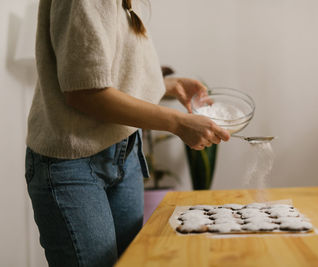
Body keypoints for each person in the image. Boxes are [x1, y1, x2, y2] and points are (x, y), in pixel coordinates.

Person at [24, 1, 230, 266]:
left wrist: (166, 85)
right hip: (72, 165)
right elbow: (85, 93)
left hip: (125, 152)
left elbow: (103, 70)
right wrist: (178, 123)